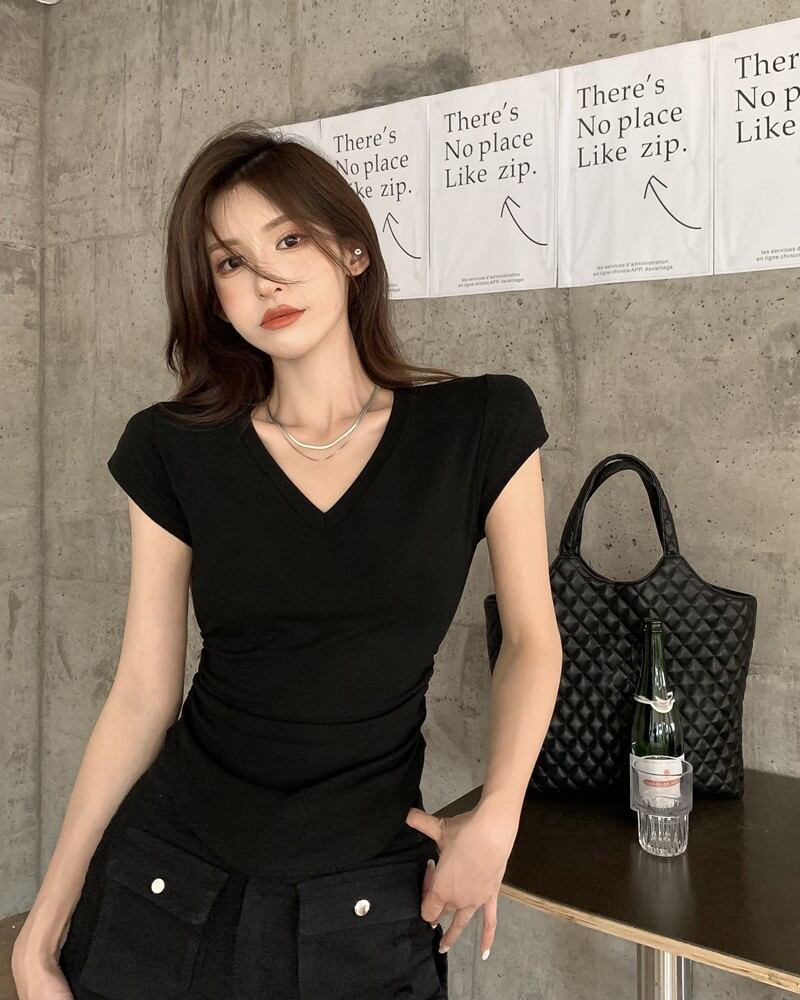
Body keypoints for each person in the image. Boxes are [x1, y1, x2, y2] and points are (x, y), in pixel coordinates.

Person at [12, 121, 562, 1000]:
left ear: (352, 252)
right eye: (231, 262)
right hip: (167, 883)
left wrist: (498, 815)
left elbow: (532, 640)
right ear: (214, 298)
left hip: (365, 902)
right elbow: (143, 692)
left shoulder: (481, 425)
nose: (266, 279)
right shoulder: (173, 448)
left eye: (290, 240)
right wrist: (38, 934)